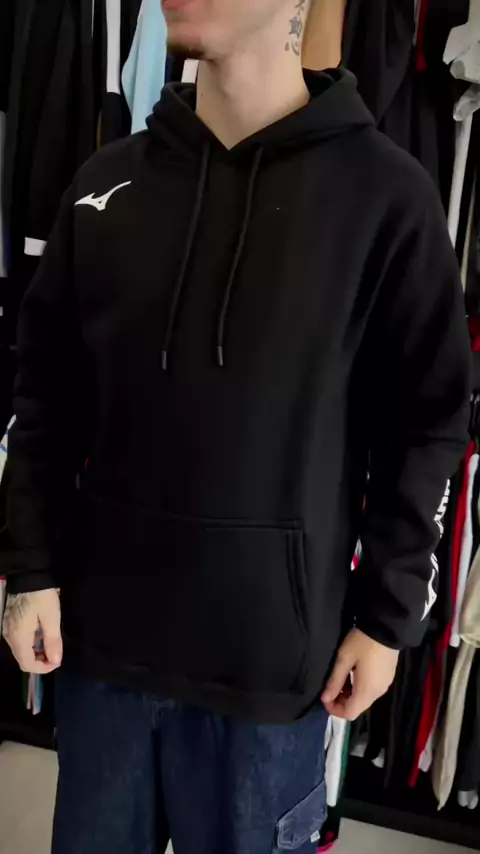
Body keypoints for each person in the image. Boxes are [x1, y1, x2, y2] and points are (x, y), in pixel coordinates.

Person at [1, 0, 471, 852]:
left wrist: (386, 617)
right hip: (104, 657)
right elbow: (45, 396)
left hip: (269, 678)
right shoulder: (108, 185)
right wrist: (29, 565)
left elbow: (425, 424)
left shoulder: (385, 198)